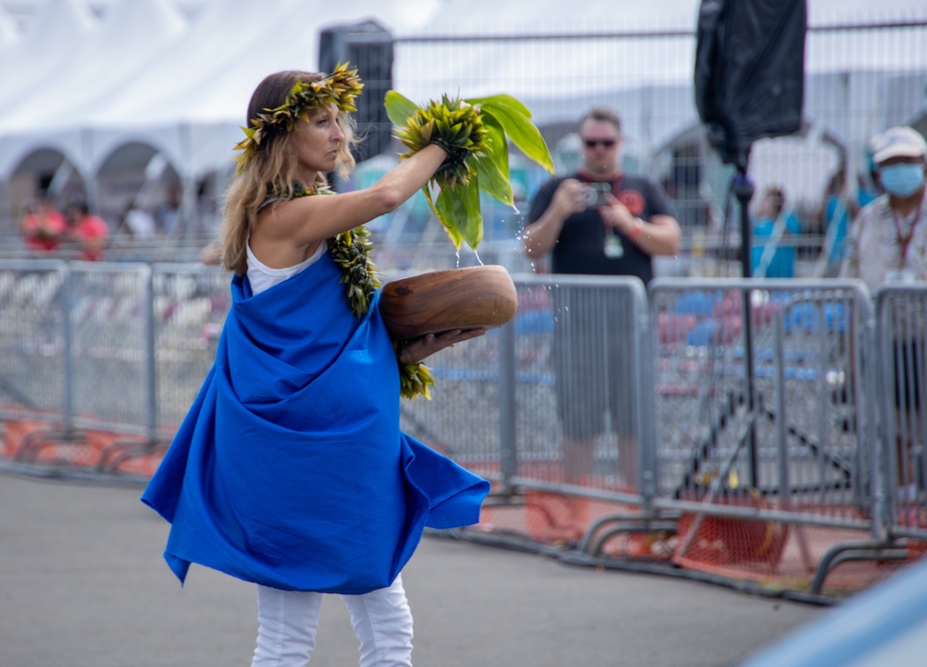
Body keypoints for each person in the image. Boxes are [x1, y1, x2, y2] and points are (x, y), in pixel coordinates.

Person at [141, 65, 491, 667]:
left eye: (341, 121)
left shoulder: (312, 211)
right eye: (321, 121)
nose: (340, 135)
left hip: (334, 443)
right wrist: (446, 141)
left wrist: (408, 351)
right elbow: (385, 196)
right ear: (280, 136)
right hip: (304, 449)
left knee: (379, 623)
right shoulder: (280, 217)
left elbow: (330, 340)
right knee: (293, 635)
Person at [521, 106, 681, 525]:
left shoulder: (642, 187)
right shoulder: (558, 187)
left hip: (631, 329)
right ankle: (577, 515)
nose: (598, 151)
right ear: (581, 146)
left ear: (619, 144)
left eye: (606, 143)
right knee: (578, 423)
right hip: (577, 329)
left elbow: (671, 241)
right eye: (590, 143)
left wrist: (630, 225)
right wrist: (558, 209)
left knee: (633, 421)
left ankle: (636, 514)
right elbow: (531, 247)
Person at [840, 125, 927, 495]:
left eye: (907, 161)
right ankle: (902, 525)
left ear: (925, 167)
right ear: (878, 173)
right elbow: (849, 282)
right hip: (889, 345)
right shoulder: (867, 220)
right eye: (890, 163)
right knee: (893, 437)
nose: (899, 169)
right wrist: (849, 356)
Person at [751, 185, 801, 278]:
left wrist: (778, 220)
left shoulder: (788, 220)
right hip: (761, 274)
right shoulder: (760, 224)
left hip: (782, 274)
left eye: (767, 201)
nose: (763, 204)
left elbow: (791, 237)